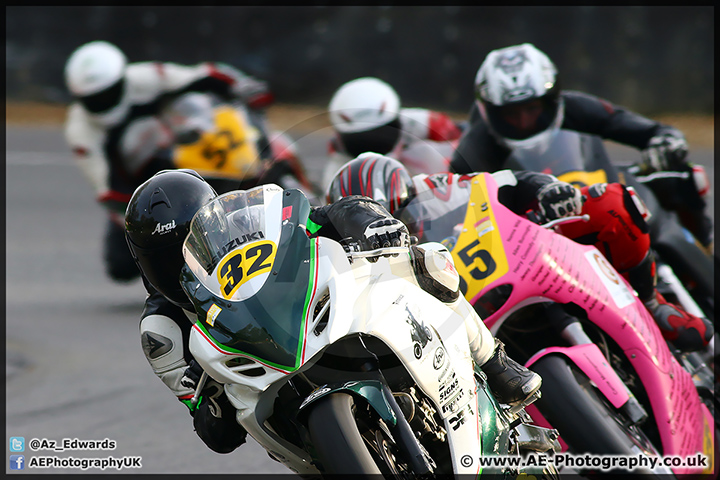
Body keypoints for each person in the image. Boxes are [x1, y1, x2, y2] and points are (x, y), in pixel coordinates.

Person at [124, 168, 542, 454]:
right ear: (145, 265)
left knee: (427, 260)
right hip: (276, 401)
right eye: (167, 259)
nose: (183, 265)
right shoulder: (161, 330)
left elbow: (326, 214)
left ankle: (495, 360)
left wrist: (366, 222)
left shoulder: (250, 227)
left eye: (192, 245)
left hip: (319, 319)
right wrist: (208, 408)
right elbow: (215, 433)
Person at [328, 153, 713, 353]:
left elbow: (511, 182)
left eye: (397, 212)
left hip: (516, 262)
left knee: (611, 203)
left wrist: (547, 190)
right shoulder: (356, 265)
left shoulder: (439, 187)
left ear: (408, 192)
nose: (394, 226)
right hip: (460, 320)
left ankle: (652, 302)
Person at [449, 42, 713, 250]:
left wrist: (665, 142)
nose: (524, 121)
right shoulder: (474, 145)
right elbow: (459, 204)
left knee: (683, 177)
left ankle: (706, 248)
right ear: (489, 111)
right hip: (536, 233)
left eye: (532, 108)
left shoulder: (576, 107)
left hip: (602, 198)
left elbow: (651, 130)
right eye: (511, 114)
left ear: (553, 99)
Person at [64, 40, 274, 283]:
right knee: (121, 265)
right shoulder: (80, 132)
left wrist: (241, 85)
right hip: (138, 186)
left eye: (109, 93)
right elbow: (109, 193)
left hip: (183, 151)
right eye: (95, 99)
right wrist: (147, 223)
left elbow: (203, 75)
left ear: (122, 80)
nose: (103, 102)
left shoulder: (146, 77)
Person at [322, 76, 464, 189]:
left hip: (426, 186)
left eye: (380, 131)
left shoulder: (422, 122)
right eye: (364, 138)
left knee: (426, 151)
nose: (374, 141)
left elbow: (465, 139)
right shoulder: (336, 176)